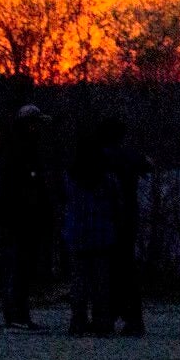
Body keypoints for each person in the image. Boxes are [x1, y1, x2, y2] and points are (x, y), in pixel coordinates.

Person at [0, 105, 54, 330]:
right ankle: (16, 315)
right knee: (18, 268)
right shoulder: (20, 152)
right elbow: (18, 191)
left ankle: (20, 314)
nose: (39, 129)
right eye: (36, 124)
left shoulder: (23, 150)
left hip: (22, 220)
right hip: (18, 221)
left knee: (23, 268)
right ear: (28, 125)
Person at [62, 121, 118, 336]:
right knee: (101, 283)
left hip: (78, 235)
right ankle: (102, 323)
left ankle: (78, 322)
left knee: (79, 282)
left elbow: (65, 199)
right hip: (102, 236)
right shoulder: (106, 179)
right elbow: (116, 203)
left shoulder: (71, 177)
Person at [103, 117, 151, 338]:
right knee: (126, 269)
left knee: (111, 270)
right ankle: (131, 318)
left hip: (109, 220)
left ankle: (113, 315)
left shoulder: (102, 157)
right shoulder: (130, 157)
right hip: (127, 220)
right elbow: (148, 165)